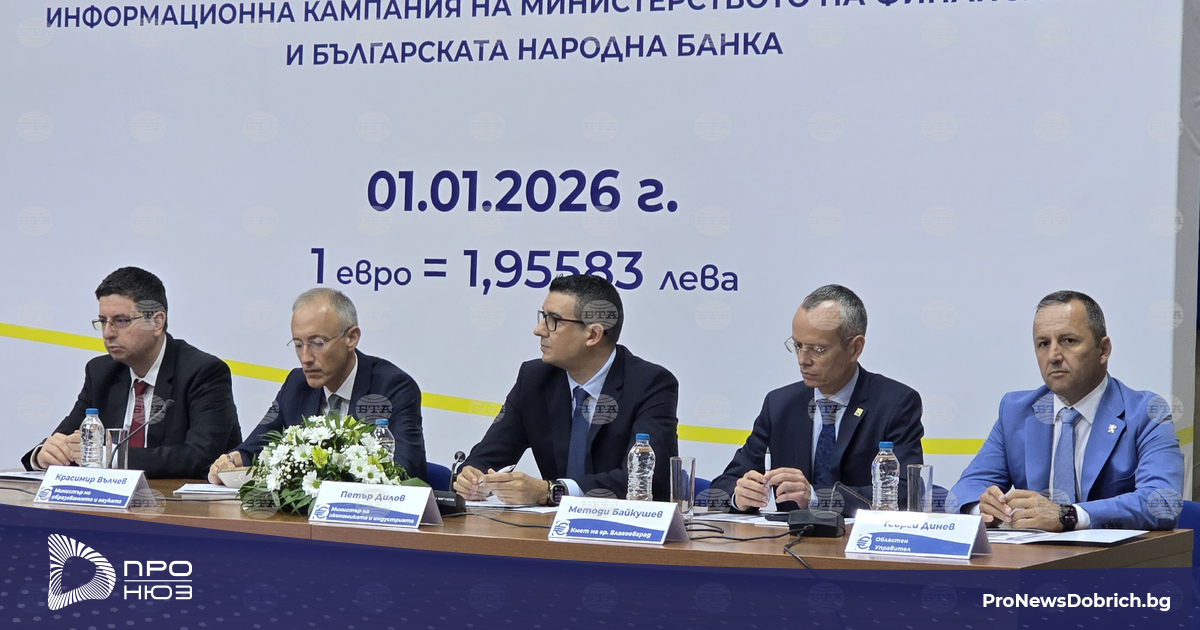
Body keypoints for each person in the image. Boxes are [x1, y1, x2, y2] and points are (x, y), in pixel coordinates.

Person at [950, 291, 1183, 531]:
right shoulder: (1015, 411)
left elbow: (1163, 502)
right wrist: (983, 510)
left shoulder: (1145, 413)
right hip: (1032, 552)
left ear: (1103, 350)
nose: (1053, 356)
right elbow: (963, 491)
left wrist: (1068, 516)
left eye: (1068, 341)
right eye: (1043, 343)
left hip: (1112, 554)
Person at [453, 274, 679, 505]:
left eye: (554, 321)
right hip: (549, 525)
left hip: (624, 523)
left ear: (592, 335)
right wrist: (472, 478)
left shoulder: (651, 384)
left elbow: (647, 480)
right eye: (543, 317)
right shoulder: (534, 379)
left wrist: (551, 491)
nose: (539, 330)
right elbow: (487, 458)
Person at [711, 285, 924, 515]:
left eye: (818, 349)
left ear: (855, 348)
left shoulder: (896, 403)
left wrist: (816, 497)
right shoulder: (780, 405)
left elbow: (905, 494)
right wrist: (740, 496)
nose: (802, 360)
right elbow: (721, 488)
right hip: (786, 537)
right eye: (798, 346)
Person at [22, 267, 241, 478]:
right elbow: (66, 438)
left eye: (121, 321)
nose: (108, 333)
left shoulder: (203, 372)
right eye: (103, 321)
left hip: (180, 501)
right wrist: (43, 455)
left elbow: (200, 456)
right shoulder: (101, 372)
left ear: (157, 322)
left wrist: (111, 457)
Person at [208, 288, 426, 483]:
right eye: (298, 344)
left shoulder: (393, 387)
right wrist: (231, 461)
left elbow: (406, 471)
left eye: (317, 343)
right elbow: (256, 447)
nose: (305, 358)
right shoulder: (296, 385)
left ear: (351, 338)